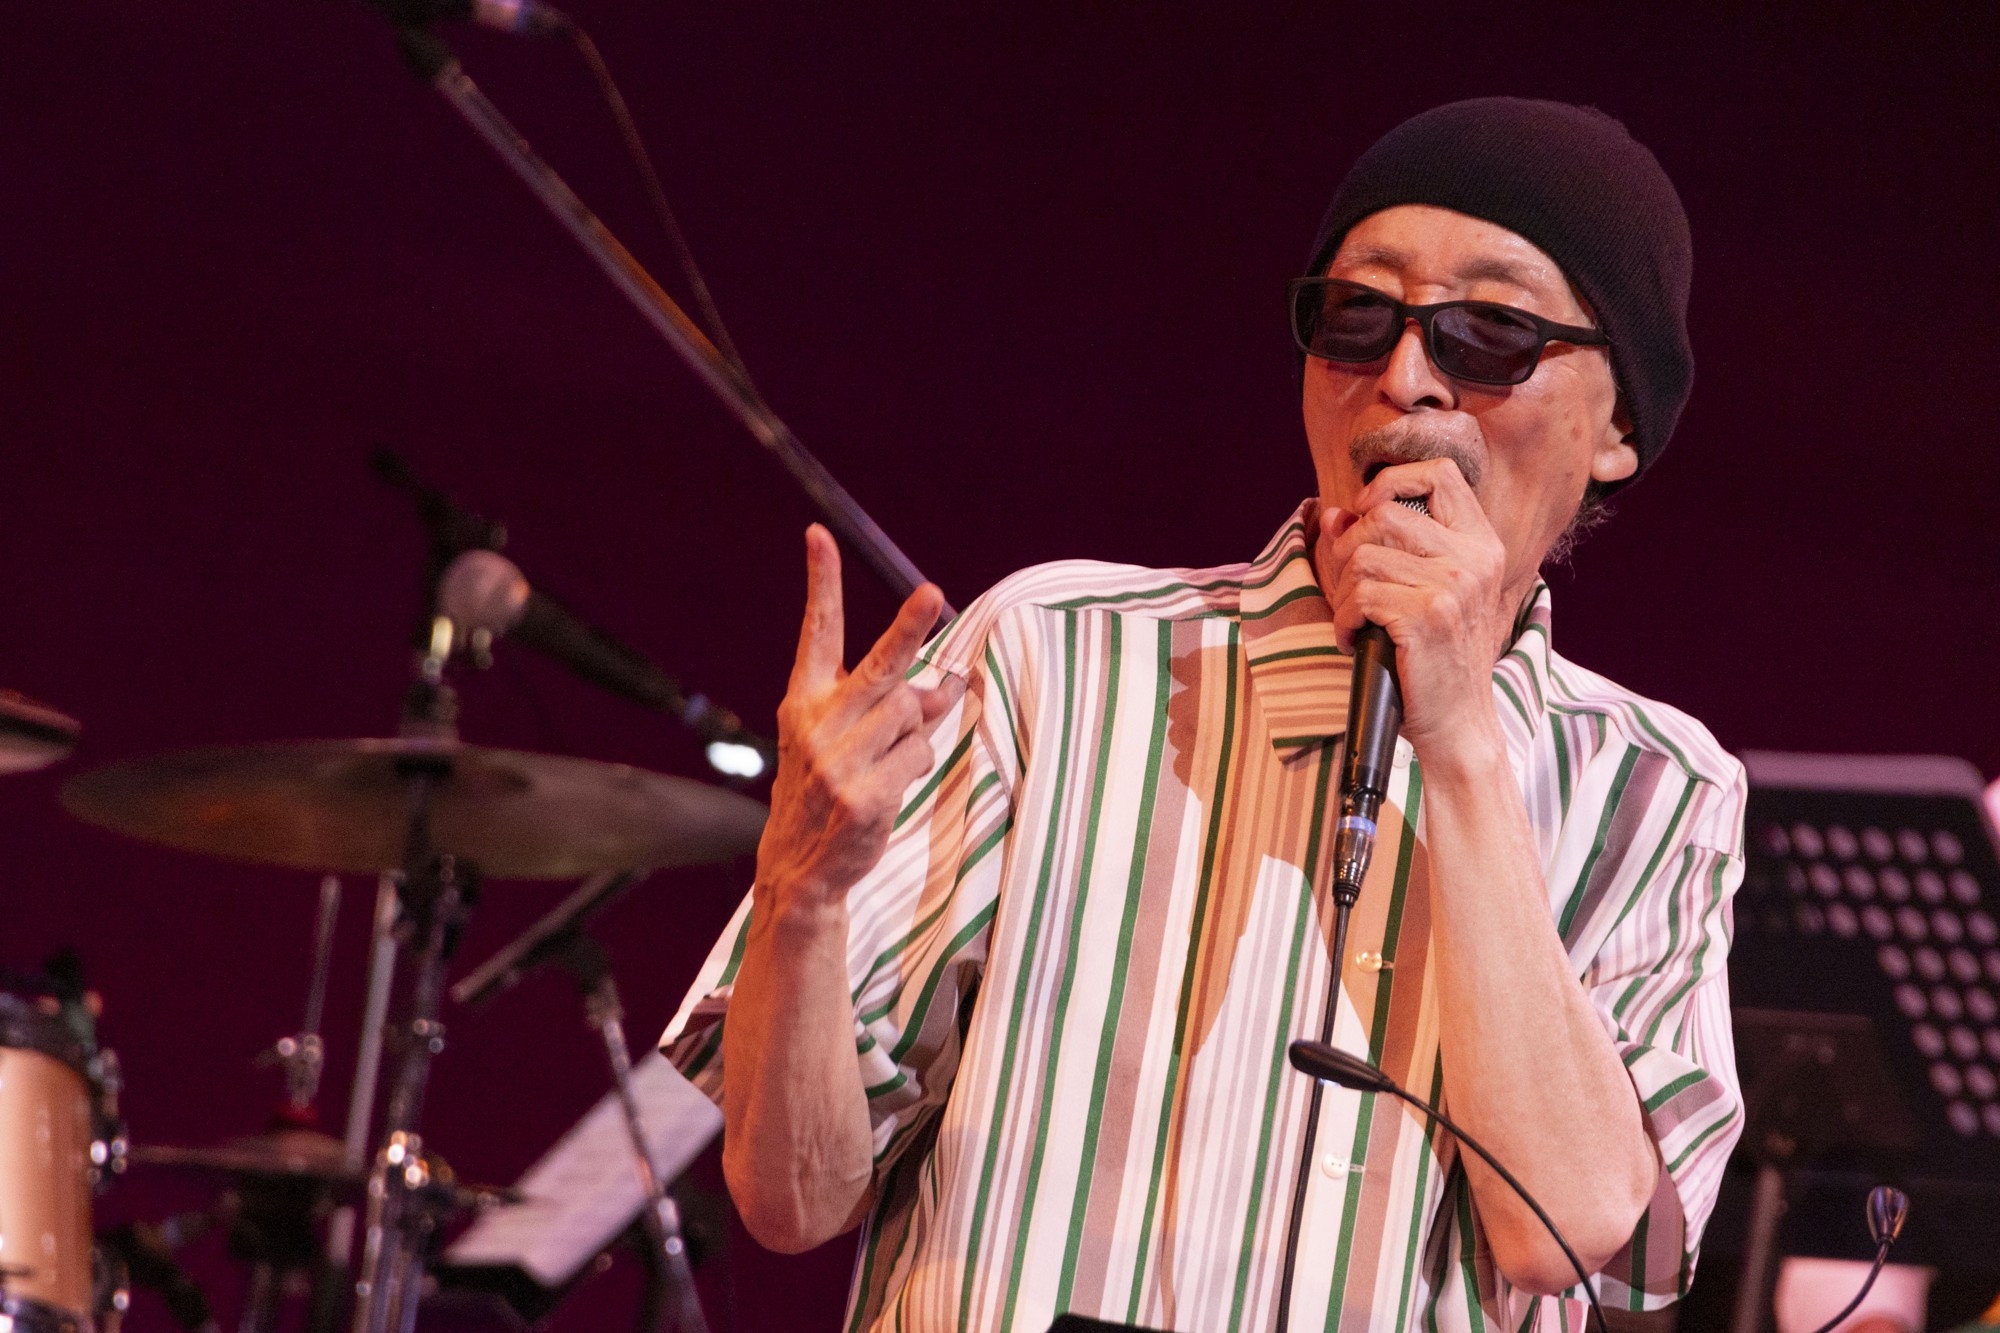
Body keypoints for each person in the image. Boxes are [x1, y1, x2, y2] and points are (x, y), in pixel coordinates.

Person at [664, 97, 1746, 1332]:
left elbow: (1575, 1234)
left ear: (1617, 429)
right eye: (1354, 316)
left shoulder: (1657, 787)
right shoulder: (1056, 651)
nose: (1403, 378)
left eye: (1489, 332)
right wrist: (801, 899)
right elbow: (793, 1199)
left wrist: (1456, 736)